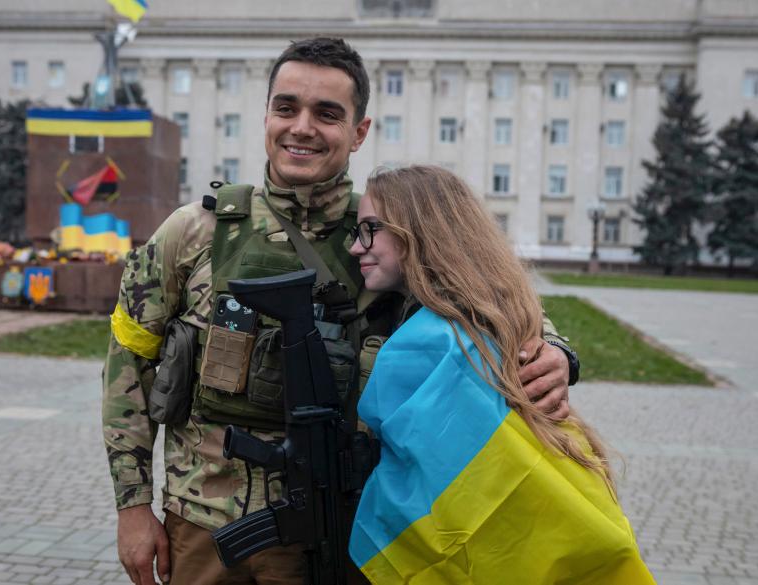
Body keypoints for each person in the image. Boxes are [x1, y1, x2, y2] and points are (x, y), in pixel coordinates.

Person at [103, 38, 577, 585]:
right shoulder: (192, 231)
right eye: (286, 108)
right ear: (266, 117)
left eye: (327, 114)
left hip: (342, 526)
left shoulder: (391, 232)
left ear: (358, 132)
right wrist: (133, 506)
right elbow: (126, 368)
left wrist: (555, 353)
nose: (302, 127)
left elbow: (493, 298)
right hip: (203, 526)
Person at [347, 165, 654, 584]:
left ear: (418, 230)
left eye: (369, 229)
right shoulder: (493, 319)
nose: (354, 246)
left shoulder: (434, 342)